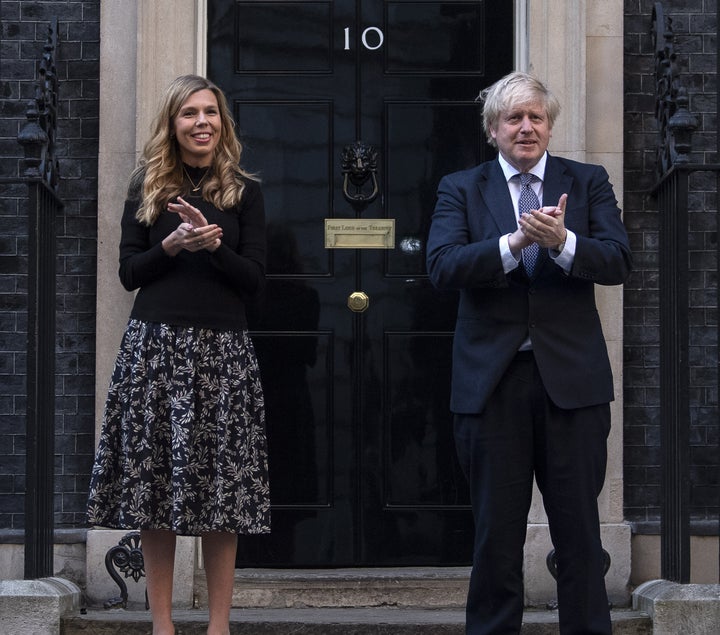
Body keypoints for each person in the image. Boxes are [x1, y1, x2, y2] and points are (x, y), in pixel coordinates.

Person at [426, 71, 632, 635]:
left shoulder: (587, 181)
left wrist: (561, 243)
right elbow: (442, 267)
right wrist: (514, 244)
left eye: (535, 117)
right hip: (493, 387)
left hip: (572, 386)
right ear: (493, 129)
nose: (525, 128)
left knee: (580, 537)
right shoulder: (461, 188)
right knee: (496, 537)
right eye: (513, 118)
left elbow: (618, 261)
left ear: (549, 126)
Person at [87, 74, 270, 635]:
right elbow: (127, 273)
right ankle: (161, 624)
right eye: (189, 113)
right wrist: (169, 245)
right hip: (156, 350)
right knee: (153, 490)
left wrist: (214, 245)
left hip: (224, 354)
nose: (201, 123)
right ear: (173, 123)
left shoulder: (244, 190)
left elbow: (255, 280)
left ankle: (219, 625)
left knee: (223, 494)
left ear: (223, 123)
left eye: (210, 113)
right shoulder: (147, 185)